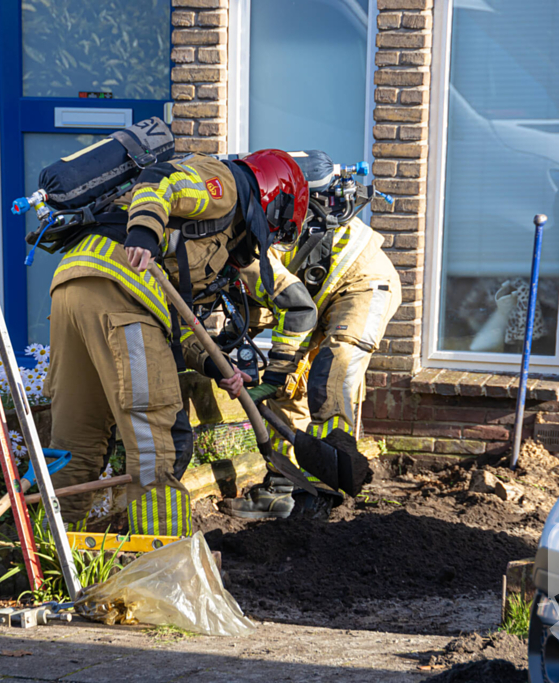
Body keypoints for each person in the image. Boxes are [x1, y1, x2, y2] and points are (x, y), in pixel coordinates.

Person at [42, 149, 316, 535]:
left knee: (77, 438)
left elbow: (173, 320)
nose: (264, 241)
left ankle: (53, 552)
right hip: (124, 292)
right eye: (274, 230)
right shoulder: (226, 186)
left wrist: (215, 364)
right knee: (158, 441)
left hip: (73, 287)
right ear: (274, 201)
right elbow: (160, 180)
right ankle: (165, 555)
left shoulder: (205, 236)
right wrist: (143, 233)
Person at [219, 172, 402, 520]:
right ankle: (281, 490)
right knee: (289, 388)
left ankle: (326, 490)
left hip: (362, 282)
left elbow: (291, 305)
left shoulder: (243, 246)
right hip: (312, 295)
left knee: (333, 373)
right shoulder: (228, 245)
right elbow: (259, 308)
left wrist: (276, 369)